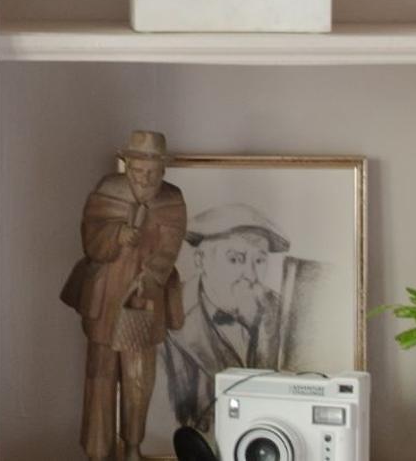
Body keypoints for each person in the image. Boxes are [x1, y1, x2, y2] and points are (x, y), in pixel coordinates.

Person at [62, 129, 187, 461]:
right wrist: (117, 234)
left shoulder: (172, 200)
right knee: (99, 378)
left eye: (152, 172)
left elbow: (170, 248)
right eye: (138, 170)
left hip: (144, 302)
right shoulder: (107, 191)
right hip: (105, 301)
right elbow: (91, 239)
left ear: (163, 170)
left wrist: (148, 279)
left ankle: (133, 447)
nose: (145, 178)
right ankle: (97, 450)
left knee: (138, 383)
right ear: (127, 164)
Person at [163, 203, 290, 439]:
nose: (251, 276)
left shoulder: (283, 311)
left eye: (259, 261)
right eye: (235, 259)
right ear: (200, 261)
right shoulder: (166, 316)